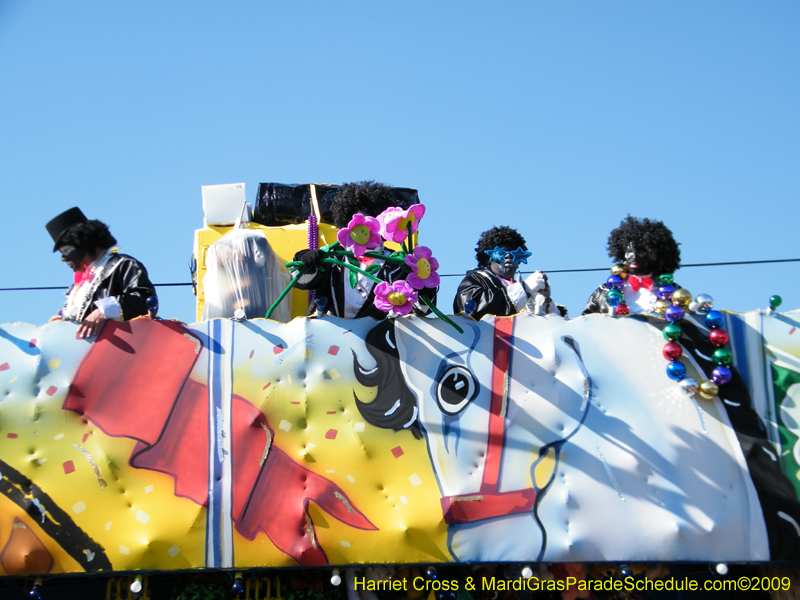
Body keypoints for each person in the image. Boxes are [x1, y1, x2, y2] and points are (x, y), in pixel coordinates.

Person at [292, 181, 436, 319]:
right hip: (329, 338)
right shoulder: (333, 258)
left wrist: (425, 288)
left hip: (374, 340)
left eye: (372, 222)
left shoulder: (398, 265)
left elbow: (422, 309)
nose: (366, 230)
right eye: (361, 224)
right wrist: (305, 260)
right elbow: (301, 281)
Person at [46, 207, 157, 338]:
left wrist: (103, 311)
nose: (64, 259)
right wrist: (62, 325)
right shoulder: (78, 288)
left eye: (67, 250)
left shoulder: (123, 265)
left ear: (85, 243)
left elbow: (144, 299)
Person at [453, 226, 563, 321]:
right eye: (501, 253)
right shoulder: (475, 280)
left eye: (514, 254)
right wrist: (524, 289)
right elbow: (474, 311)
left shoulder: (528, 293)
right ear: (488, 259)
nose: (508, 257)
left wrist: (549, 307)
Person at [582, 215, 681, 315]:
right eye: (629, 252)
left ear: (655, 255)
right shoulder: (603, 292)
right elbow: (585, 323)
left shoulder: (675, 292)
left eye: (641, 253)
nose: (634, 257)